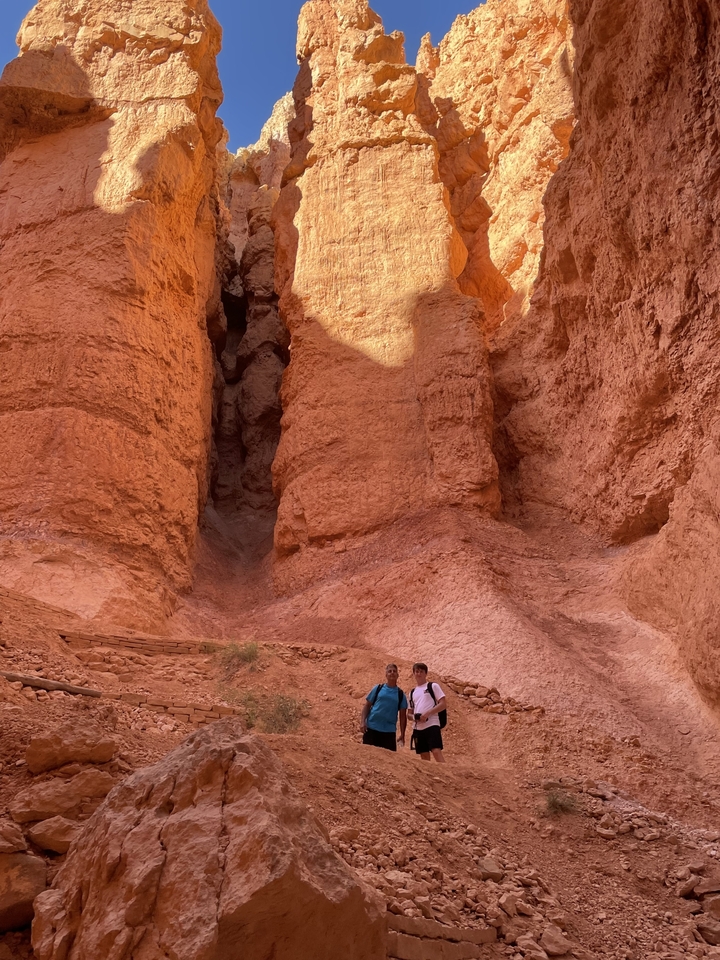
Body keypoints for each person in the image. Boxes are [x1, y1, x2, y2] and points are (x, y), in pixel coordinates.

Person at [360, 664, 408, 751]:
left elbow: (403, 716)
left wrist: (402, 734)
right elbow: (367, 705)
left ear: (398, 675)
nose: (392, 673)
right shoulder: (378, 688)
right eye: (389, 671)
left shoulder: (401, 695)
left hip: (388, 732)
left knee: (388, 762)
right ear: (386, 675)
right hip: (372, 728)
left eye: (394, 671)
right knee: (368, 757)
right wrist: (362, 722)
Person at [408, 662, 446, 763]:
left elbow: (443, 704)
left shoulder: (432, 686)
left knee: (436, 751)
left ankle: (448, 777)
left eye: (421, 671)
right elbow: (409, 714)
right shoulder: (412, 692)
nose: (419, 674)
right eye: (417, 671)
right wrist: (415, 717)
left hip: (432, 724)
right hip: (418, 728)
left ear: (426, 673)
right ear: (414, 674)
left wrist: (428, 713)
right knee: (424, 756)